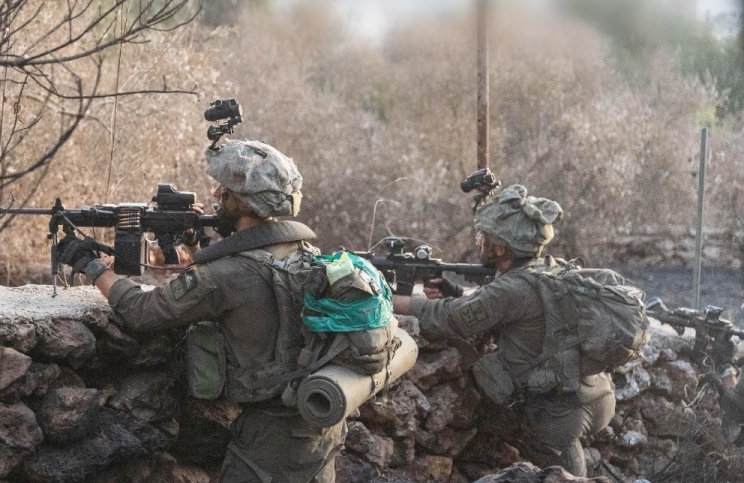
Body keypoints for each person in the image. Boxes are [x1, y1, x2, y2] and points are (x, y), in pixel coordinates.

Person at [56, 140, 345, 482]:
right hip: (318, 422)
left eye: (226, 189)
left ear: (243, 201)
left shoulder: (228, 275)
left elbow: (143, 311)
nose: (217, 194)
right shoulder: (305, 252)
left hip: (271, 438)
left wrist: (93, 267)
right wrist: (196, 243)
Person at [392, 184, 615, 477]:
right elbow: (502, 305)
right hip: (593, 392)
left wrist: (392, 300)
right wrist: (457, 291)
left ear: (501, 247)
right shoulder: (549, 268)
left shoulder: (512, 288)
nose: (479, 242)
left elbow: (448, 318)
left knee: (562, 475)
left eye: (485, 237)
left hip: (559, 412)